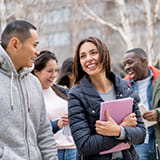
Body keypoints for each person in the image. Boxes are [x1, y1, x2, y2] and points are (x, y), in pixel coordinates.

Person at [68, 36, 146, 160]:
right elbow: (85, 145)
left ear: (104, 54)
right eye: (83, 56)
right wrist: (122, 129)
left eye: (93, 52)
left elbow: (141, 134)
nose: (89, 59)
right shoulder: (76, 95)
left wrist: (119, 130)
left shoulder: (124, 87)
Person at [0, 20, 57, 159]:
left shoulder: (34, 83)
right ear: (15, 44)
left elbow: (44, 132)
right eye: (34, 45)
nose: (37, 52)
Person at [33, 50, 76, 160]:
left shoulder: (62, 91)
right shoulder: (31, 95)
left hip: (72, 149)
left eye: (56, 71)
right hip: (50, 151)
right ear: (37, 71)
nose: (54, 75)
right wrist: (59, 123)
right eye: (49, 71)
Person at [123, 48, 160, 160]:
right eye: (124, 65)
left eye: (130, 63)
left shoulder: (158, 79)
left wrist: (158, 113)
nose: (126, 68)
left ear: (144, 61)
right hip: (139, 143)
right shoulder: (124, 86)